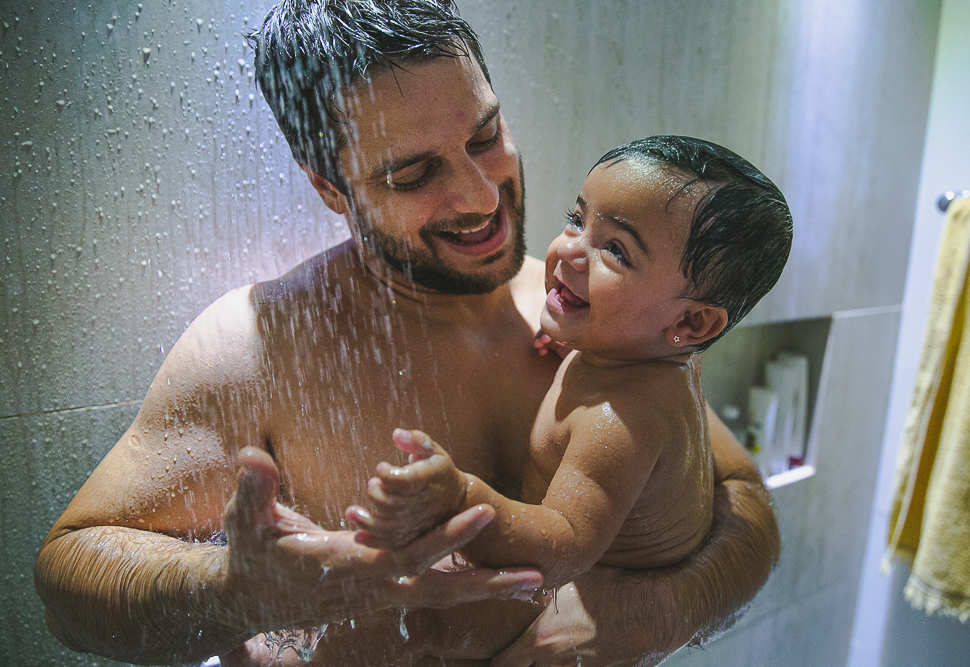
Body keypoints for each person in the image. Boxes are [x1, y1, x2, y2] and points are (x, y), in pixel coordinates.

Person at [33, 2, 781, 666]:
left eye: (485, 135)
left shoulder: (603, 330)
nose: (480, 197)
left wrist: (658, 611)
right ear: (330, 186)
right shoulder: (263, 347)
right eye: (413, 174)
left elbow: (741, 497)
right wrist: (237, 590)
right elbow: (67, 578)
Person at [344, 136, 791, 650]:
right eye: (577, 220)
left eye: (615, 251)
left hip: (559, 610)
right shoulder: (640, 352)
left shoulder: (618, 417)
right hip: (563, 596)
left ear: (691, 323)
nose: (570, 250)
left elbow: (564, 542)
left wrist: (461, 501)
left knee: (423, 629)